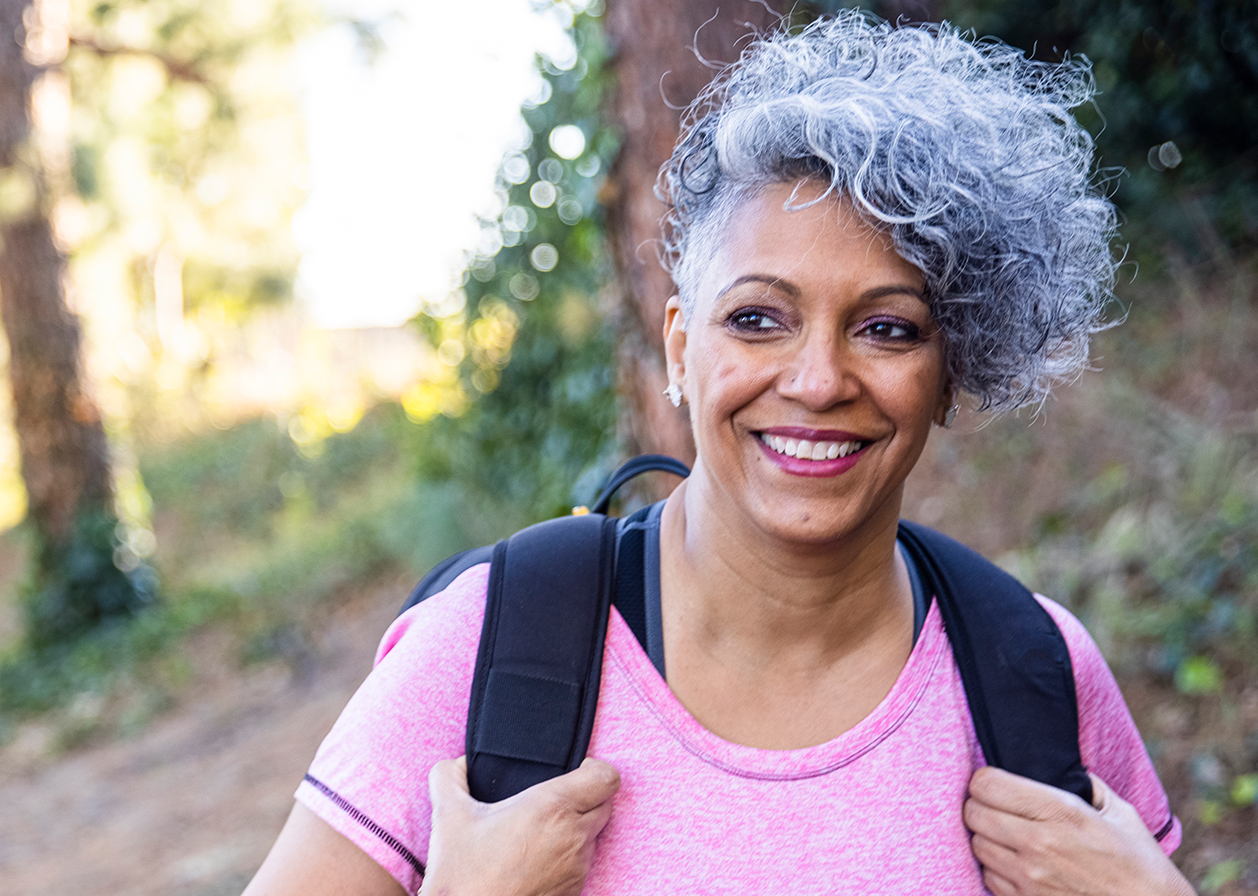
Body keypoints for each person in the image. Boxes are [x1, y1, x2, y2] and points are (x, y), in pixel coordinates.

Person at [244, 12, 1198, 896]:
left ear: (951, 375)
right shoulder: (489, 650)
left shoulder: (1033, 673)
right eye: (757, 319)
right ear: (679, 350)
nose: (819, 380)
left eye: (888, 329)